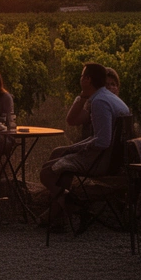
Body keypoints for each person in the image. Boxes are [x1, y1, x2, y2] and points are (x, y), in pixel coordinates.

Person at [39, 62, 130, 224]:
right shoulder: (107, 98)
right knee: (60, 157)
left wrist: (76, 148)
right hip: (111, 157)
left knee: (46, 173)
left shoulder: (100, 102)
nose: (80, 79)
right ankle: (56, 217)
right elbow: (75, 122)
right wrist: (73, 148)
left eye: (82, 76)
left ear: (87, 79)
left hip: (101, 160)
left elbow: (102, 141)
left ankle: (73, 205)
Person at [65, 66, 120, 139]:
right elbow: (71, 120)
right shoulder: (94, 104)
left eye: (113, 84)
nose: (110, 87)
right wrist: (84, 95)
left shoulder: (106, 105)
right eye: (106, 84)